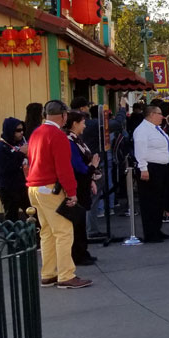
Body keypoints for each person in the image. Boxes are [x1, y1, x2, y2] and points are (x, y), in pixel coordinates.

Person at [26, 100, 91, 288]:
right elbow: (64, 168)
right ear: (62, 116)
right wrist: (72, 193)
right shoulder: (58, 135)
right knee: (63, 231)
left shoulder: (36, 133)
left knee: (46, 232)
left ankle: (48, 273)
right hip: (51, 188)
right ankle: (66, 275)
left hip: (34, 188)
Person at [63, 111, 99, 266]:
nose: (84, 125)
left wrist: (90, 178)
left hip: (83, 182)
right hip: (77, 184)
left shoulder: (77, 140)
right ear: (75, 123)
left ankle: (83, 251)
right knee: (77, 222)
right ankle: (78, 253)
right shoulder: (70, 141)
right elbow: (77, 166)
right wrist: (92, 167)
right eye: (83, 122)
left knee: (81, 220)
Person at [134, 105, 169, 243]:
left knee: (159, 200)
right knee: (150, 201)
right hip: (150, 168)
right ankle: (150, 233)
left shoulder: (156, 129)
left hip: (162, 167)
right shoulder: (142, 130)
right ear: (151, 114)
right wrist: (143, 168)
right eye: (159, 114)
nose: (162, 117)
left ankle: (157, 229)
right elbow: (140, 149)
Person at [0, 118, 29, 221]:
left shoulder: (21, 144)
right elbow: (4, 168)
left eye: (22, 130)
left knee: (32, 212)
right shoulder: (0, 148)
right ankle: (11, 236)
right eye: (18, 130)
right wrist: (20, 154)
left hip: (23, 186)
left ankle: (35, 235)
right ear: (10, 131)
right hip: (8, 188)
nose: (21, 133)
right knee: (11, 217)